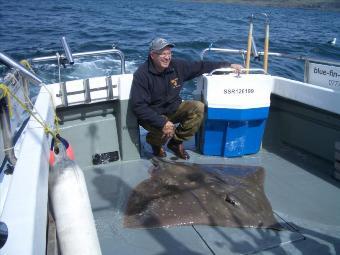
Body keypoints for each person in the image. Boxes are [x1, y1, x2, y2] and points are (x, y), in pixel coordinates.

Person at [131, 38, 242, 160]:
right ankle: (155, 143)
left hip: (173, 108)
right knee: (163, 126)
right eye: (163, 54)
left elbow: (201, 66)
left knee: (198, 108)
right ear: (152, 55)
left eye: (169, 53)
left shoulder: (177, 66)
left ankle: (175, 143)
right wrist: (162, 122)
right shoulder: (142, 75)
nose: (167, 57)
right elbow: (139, 107)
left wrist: (228, 65)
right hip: (152, 114)